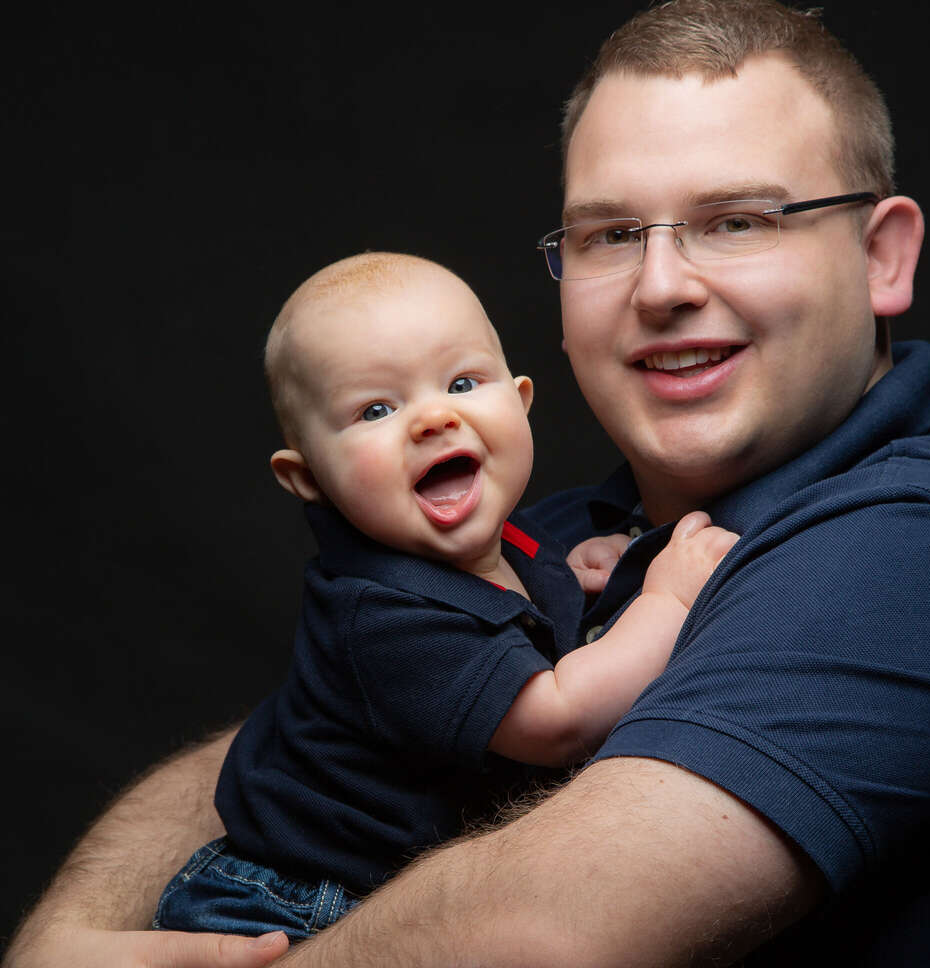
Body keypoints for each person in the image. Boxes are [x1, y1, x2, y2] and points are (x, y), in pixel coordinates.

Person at [6, 0, 930, 968]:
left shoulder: (921, 554)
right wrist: (70, 935)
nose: (660, 287)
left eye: (736, 220)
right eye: (610, 235)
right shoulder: (544, 538)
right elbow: (312, 739)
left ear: (879, 257)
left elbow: (540, 931)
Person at [152, 251, 736, 941]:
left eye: (462, 382)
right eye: (376, 409)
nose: (433, 419)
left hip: (386, 885)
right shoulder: (385, 614)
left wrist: (573, 573)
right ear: (307, 477)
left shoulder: (508, 539)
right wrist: (667, 600)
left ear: (519, 402)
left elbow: (521, 596)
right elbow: (557, 720)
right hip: (290, 902)